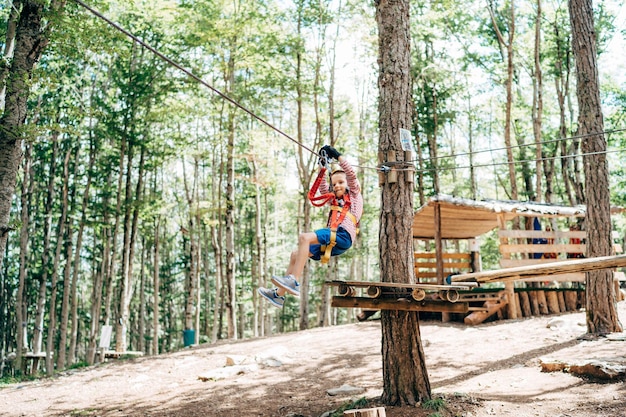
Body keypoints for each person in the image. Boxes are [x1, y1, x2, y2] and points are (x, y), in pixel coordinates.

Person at [258, 145, 363, 308]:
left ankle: (293, 281)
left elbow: (350, 174)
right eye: (334, 184)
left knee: (304, 238)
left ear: (349, 184)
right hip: (335, 239)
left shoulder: (354, 195)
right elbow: (322, 188)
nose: (337, 186)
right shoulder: (333, 199)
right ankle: (279, 295)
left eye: (341, 183)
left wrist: (337, 156)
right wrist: (322, 166)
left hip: (343, 235)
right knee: (296, 254)